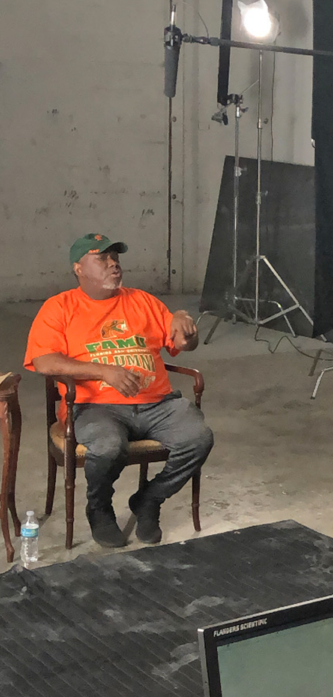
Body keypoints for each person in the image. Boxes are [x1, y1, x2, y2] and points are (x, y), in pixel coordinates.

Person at [24, 233, 212, 548]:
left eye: (116, 258)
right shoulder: (60, 307)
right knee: (108, 446)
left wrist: (185, 326)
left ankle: (149, 499)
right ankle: (99, 508)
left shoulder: (143, 301)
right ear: (79, 268)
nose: (114, 265)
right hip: (94, 406)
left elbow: (181, 343)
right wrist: (102, 371)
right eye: (102, 258)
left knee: (198, 438)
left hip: (157, 404)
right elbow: (43, 361)